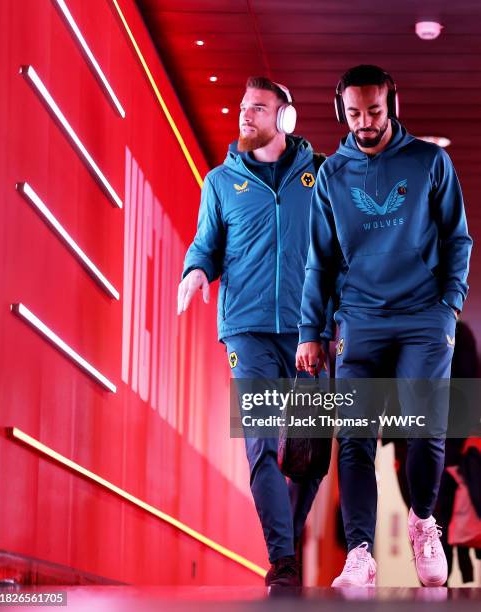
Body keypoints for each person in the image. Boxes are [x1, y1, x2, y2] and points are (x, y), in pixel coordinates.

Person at [296, 65, 472, 587]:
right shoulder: (331, 175)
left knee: (427, 427)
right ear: (340, 111)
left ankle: (423, 522)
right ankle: (360, 553)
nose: (365, 122)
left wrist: (450, 306)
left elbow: (457, 239)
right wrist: (311, 330)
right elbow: (319, 259)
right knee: (354, 438)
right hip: (359, 319)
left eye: (374, 111)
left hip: (423, 315)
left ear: (392, 104)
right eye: (354, 113)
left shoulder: (428, 162)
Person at [178, 77, 332, 588]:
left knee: (310, 453)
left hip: (311, 329)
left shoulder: (324, 175)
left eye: (258, 109)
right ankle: (283, 561)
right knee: (261, 445)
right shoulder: (221, 182)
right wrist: (196, 271)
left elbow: (344, 249)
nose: (245, 116)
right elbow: (206, 243)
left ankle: (284, 540)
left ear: (284, 118)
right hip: (246, 330)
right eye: (243, 108)